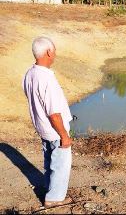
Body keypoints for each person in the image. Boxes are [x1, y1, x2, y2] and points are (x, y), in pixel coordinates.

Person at [22, 36, 73, 208]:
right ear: (49, 52)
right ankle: (54, 199)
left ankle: (48, 188)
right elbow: (54, 114)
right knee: (60, 164)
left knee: (50, 162)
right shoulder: (46, 79)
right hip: (54, 130)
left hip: (43, 128)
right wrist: (64, 135)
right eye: (55, 50)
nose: (55, 53)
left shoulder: (30, 73)